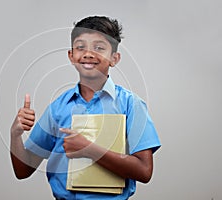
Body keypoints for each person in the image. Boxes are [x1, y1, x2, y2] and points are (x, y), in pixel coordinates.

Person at [10, 16, 161, 200]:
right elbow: (23, 170)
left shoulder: (131, 105)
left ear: (114, 58)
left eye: (99, 48)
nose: (88, 54)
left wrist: (90, 150)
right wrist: (15, 135)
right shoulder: (58, 108)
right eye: (81, 47)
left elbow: (144, 171)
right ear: (71, 56)